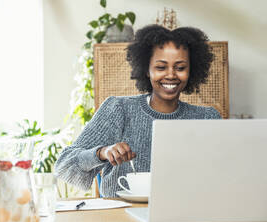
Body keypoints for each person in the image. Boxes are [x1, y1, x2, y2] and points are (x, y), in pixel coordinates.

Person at [55, 24, 222, 197]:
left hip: (185, 216)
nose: (171, 75)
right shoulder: (118, 110)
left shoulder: (207, 118)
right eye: (161, 67)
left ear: (191, 70)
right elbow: (65, 164)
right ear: (147, 70)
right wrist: (102, 152)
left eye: (180, 68)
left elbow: (224, 176)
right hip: (120, 218)